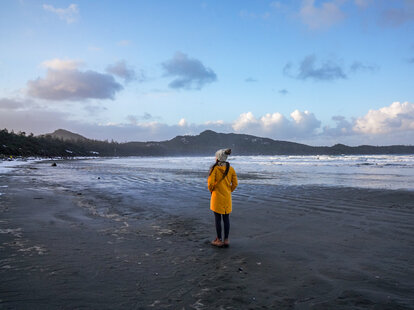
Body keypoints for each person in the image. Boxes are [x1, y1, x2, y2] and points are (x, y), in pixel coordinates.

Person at [208, 148, 238, 247]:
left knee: (217, 219)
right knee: (226, 218)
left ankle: (218, 240)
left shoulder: (215, 169)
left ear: (218, 157)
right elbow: (235, 183)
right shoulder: (231, 168)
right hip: (227, 197)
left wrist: (212, 190)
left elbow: (210, 184)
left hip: (217, 197)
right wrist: (229, 190)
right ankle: (226, 240)